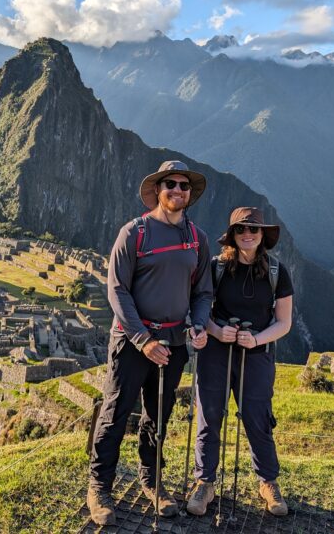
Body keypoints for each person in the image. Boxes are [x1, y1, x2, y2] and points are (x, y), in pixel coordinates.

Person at [87, 160, 212, 526]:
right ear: (158, 190)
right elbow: (117, 290)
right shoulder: (135, 233)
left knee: (159, 415)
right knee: (115, 413)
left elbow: (203, 291)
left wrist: (199, 325)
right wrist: (142, 339)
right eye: (170, 184)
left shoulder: (197, 238)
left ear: (190, 194)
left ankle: (151, 480)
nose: (177, 190)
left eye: (183, 186)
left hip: (173, 342)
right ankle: (99, 486)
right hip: (132, 341)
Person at [186, 206, 293, 517]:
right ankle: (205, 483)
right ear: (232, 235)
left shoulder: (277, 272)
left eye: (254, 230)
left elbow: (283, 322)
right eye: (241, 230)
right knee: (210, 414)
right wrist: (218, 331)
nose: (248, 235)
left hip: (257, 354)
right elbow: (199, 308)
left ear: (262, 236)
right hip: (217, 352)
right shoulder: (217, 267)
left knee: (258, 417)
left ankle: (268, 482)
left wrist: (256, 339)